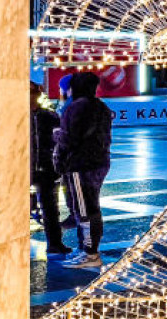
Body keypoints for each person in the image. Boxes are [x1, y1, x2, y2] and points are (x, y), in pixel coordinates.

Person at [55, 72, 113, 269]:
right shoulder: (101, 106)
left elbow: (68, 139)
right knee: (91, 206)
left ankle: (90, 254)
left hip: (80, 164)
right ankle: (88, 251)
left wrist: (59, 157)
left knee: (84, 210)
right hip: (99, 162)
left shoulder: (75, 107)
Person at [30, 83, 69, 257]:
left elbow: (60, 142)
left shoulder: (50, 116)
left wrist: (59, 164)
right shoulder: (11, 116)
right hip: (22, 169)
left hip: (46, 168)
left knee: (51, 209)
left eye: (33, 93)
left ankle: (54, 243)